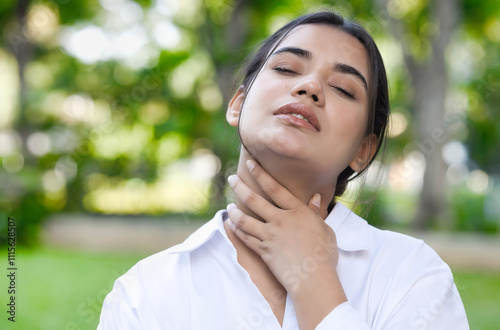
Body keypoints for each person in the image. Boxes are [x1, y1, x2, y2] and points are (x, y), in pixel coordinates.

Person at [98, 11, 469, 329]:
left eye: (342, 88)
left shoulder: (412, 274)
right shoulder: (145, 291)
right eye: (286, 68)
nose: (309, 87)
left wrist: (314, 283)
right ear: (237, 105)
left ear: (363, 150)